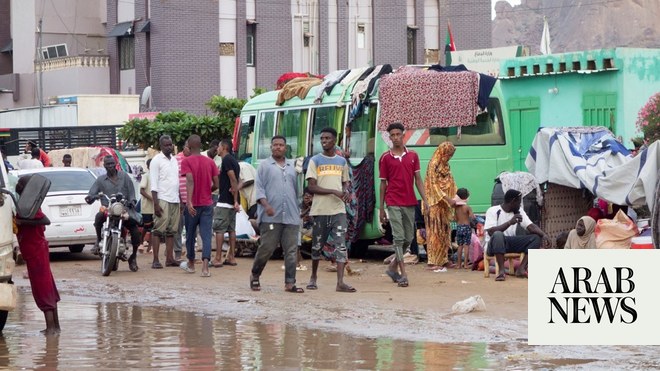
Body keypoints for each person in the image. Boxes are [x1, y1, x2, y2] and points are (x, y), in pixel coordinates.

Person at [250, 135, 304, 293]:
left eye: (281, 145)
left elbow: (298, 191)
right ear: (271, 147)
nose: (278, 147)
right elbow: (259, 190)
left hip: (291, 216)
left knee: (291, 250)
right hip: (270, 216)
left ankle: (290, 283)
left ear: (285, 148)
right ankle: (255, 275)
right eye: (275, 145)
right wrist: (266, 205)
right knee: (267, 247)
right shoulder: (264, 166)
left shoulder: (292, 167)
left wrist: (301, 209)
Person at [305, 127, 356, 293]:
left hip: (338, 210)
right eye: (322, 138)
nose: (324, 141)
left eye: (327, 138)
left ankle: (340, 282)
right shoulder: (315, 160)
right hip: (320, 210)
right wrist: (334, 191)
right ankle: (313, 277)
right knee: (317, 246)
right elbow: (311, 187)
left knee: (341, 246)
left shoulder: (341, 162)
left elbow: (345, 183)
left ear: (334, 141)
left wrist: (346, 193)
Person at [378, 122, 428, 288]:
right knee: (398, 238)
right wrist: (381, 209)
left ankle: (393, 265)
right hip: (392, 201)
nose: (395, 138)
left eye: (398, 134)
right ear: (389, 137)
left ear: (403, 135)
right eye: (392, 135)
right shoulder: (385, 158)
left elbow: (418, 180)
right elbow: (383, 184)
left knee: (409, 237)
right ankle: (403, 274)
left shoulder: (413, 156)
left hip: (409, 201)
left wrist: (426, 200)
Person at [15, 175, 61, 335]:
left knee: (42, 289)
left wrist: (22, 222)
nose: (18, 186)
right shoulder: (26, 205)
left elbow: (45, 221)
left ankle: (51, 328)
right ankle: (55, 327)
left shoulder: (29, 207)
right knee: (47, 286)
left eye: (20, 184)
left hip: (36, 251)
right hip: (35, 250)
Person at [86, 155, 141, 272]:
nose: (110, 166)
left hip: (124, 209)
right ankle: (98, 240)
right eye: (108, 164)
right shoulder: (100, 180)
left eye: (112, 164)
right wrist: (91, 197)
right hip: (108, 209)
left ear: (115, 164)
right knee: (98, 217)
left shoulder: (124, 176)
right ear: (104, 165)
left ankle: (133, 256)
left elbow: (132, 193)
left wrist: (132, 201)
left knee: (136, 232)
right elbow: (91, 193)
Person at [484, 189, 550, 281]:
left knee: (536, 238)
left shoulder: (519, 211)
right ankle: (501, 271)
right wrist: (510, 222)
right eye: (519, 202)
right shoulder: (493, 210)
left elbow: (530, 226)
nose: (520, 205)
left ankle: (521, 269)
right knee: (498, 234)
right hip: (494, 244)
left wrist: (544, 235)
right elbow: (491, 232)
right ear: (513, 201)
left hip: (510, 242)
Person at [179, 135, 219, 277]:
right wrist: (208, 191)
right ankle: (205, 268)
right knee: (206, 235)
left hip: (193, 206)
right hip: (207, 204)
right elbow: (217, 183)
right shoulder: (210, 162)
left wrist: (188, 202)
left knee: (190, 235)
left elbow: (190, 180)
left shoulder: (186, 161)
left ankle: (190, 263)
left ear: (189, 146)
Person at [424, 142, 457, 271]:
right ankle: (432, 261)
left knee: (444, 232)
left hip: (445, 204)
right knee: (434, 232)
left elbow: (451, 182)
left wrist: (457, 197)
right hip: (434, 203)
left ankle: (443, 260)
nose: (449, 157)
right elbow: (433, 185)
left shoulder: (446, 165)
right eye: (448, 154)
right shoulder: (433, 165)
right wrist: (447, 198)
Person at [149, 135, 181, 269]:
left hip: (175, 199)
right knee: (158, 230)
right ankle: (155, 259)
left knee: (171, 231)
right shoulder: (156, 161)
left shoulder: (174, 160)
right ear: (161, 146)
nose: (169, 147)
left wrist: (181, 200)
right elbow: (154, 184)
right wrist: (156, 204)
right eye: (166, 145)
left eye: (170, 144)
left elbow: (176, 181)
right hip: (162, 199)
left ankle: (169, 258)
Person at [211, 139, 240, 267]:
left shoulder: (227, 160)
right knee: (231, 229)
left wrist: (234, 197)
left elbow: (233, 178)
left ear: (224, 147)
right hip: (232, 201)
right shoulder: (234, 161)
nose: (217, 149)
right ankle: (231, 257)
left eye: (219, 146)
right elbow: (239, 180)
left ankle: (218, 258)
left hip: (224, 201)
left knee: (219, 229)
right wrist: (236, 199)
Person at [174, 142, 192, 260]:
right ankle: (178, 253)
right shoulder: (176, 160)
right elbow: (174, 180)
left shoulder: (194, 159)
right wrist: (180, 199)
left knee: (191, 229)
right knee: (178, 228)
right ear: (183, 146)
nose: (189, 150)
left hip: (191, 201)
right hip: (179, 200)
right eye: (188, 147)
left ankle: (190, 254)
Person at [453, 188, 474, 269]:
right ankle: (465, 264)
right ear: (466, 197)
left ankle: (458, 264)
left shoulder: (456, 208)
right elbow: (472, 217)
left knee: (460, 246)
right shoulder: (467, 207)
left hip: (459, 227)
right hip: (466, 227)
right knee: (466, 246)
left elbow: (455, 218)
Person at [238, 160, 258, 231]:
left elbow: (250, 180)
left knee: (252, 221)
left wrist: (237, 187)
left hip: (256, 198)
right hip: (251, 201)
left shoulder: (242, 166)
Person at [139, 159, 154, 253]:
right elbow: (142, 190)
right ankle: (141, 242)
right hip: (147, 206)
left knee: (154, 227)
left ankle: (150, 247)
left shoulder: (158, 176)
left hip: (156, 206)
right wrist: (152, 198)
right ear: (148, 167)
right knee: (146, 226)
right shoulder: (146, 176)